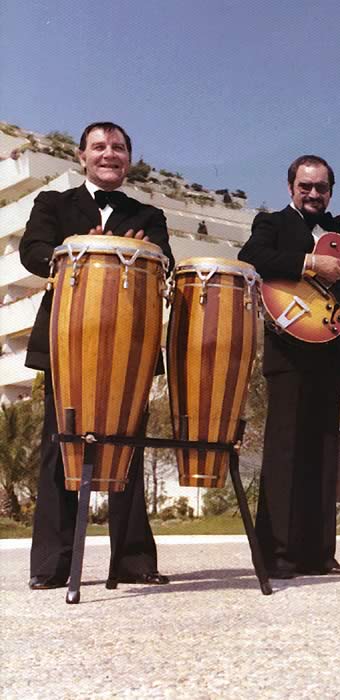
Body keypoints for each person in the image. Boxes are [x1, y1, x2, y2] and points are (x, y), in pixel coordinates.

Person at [19, 121, 173, 589]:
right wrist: (76, 251)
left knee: (129, 448)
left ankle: (133, 561)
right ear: (81, 156)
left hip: (132, 345)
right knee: (60, 445)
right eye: (100, 146)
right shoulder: (53, 203)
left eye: (119, 147)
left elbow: (163, 260)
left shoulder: (148, 214)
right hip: (69, 339)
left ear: (129, 159)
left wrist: (148, 252)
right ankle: (52, 565)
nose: (110, 154)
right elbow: (32, 250)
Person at [238, 155, 340, 579]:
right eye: (305, 186)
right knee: (285, 452)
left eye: (321, 188)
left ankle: (319, 554)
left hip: (330, 348)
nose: (313, 193)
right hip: (289, 348)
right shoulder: (272, 223)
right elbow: (253, 256)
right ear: (291, 187)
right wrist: (312, 264)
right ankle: (277, 555)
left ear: (331, 192)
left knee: (325, 453)